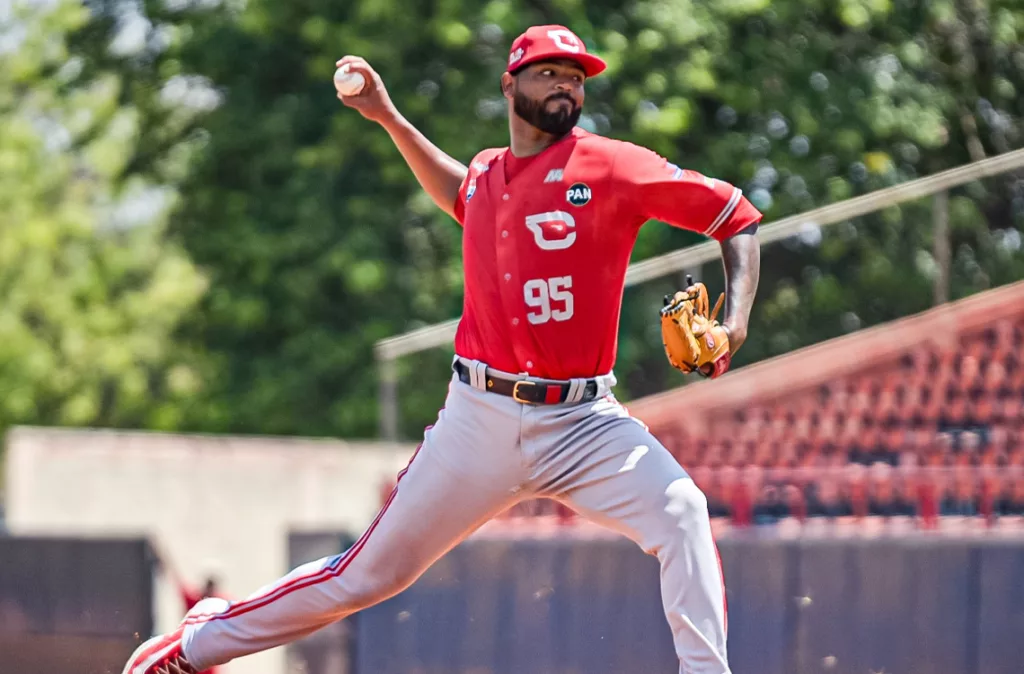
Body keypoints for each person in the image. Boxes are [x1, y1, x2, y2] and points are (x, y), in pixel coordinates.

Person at [121, 25, 761, 674]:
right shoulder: (488, 175)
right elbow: (463, 193)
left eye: (576, 75)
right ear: (510, 84)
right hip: (478, 420)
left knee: (681, 510)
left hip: (582, 422)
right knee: (367, 575)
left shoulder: (612, 165)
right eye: (548, 72)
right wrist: (389, 117)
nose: (567, 83)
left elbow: (735, 216)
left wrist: (732, 327)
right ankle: (197, 645)